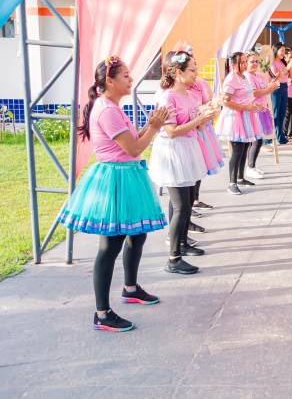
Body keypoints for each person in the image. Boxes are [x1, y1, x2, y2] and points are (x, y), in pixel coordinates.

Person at [56, 57, 169, 332]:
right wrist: (153, 127)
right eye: (126, 76)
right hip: (115, 180)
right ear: (109, 80)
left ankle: (130, 287)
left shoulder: (113, 107)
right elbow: (133, 150)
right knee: (110, 246)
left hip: (126, 176)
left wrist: (150, 125)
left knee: (137, 234)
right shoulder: (107, 110)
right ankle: (102, 313)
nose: (131, 79)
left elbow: (132, 144)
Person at [148, 51, 214, 274]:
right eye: (192, 70)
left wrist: (203, 119)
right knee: (181, 206)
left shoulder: (188, 94)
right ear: (177, 73)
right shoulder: (168, 97)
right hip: (173, 153)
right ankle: (173, 258)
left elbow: (191, 124)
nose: (196, 74)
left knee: (186, 203)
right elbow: (171, 130)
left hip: (187, 149)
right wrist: (198, 120)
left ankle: (183, 244)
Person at [216, 52, 263, 195]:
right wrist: (244, 107)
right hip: (235, 118)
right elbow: (226, 101)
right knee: (237, 150)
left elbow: (247, 96)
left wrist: (254, 106)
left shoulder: (243, 77)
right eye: (241, 62)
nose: (244, 65)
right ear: (233, 64)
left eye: (244, 62)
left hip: (247, 115)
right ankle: (232, 183)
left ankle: (241, 177)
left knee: (245, 147)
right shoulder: (231, 79)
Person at [186, 59, 224, 230]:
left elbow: (204, 103)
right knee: (190, 172)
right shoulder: (175, 93)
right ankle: (187, 209)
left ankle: (194, 199)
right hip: (191, 131)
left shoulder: (199, 84)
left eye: (195, 67)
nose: (195, 72)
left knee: (200, 168)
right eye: (191, 69)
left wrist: (212, 106)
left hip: (202, 129)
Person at [244, 52, 279, 180]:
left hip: (262, 110)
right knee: (256, 140)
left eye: (256, 61)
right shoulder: (247, 77)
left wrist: (272, 85)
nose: (254, 64)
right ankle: (250, 167)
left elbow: (266, 88)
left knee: (259, 140)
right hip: (254, 111)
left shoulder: (258, 75)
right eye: (251, 62)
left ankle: (252, 166)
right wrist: (269, 89)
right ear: (245, 64)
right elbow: (254, 93)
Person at [270, 45, 290, 144]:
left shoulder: (283, 62)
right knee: (276, 112)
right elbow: (274, 77)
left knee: (282, 112)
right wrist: (285, 69)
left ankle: (280, 135)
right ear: (276, 51)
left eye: (284, 50)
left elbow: (286, 76)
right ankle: (272, 136)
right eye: (281, 50)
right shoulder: (272, 62)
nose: (283, 52)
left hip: (285, 87)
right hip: (276, 87)